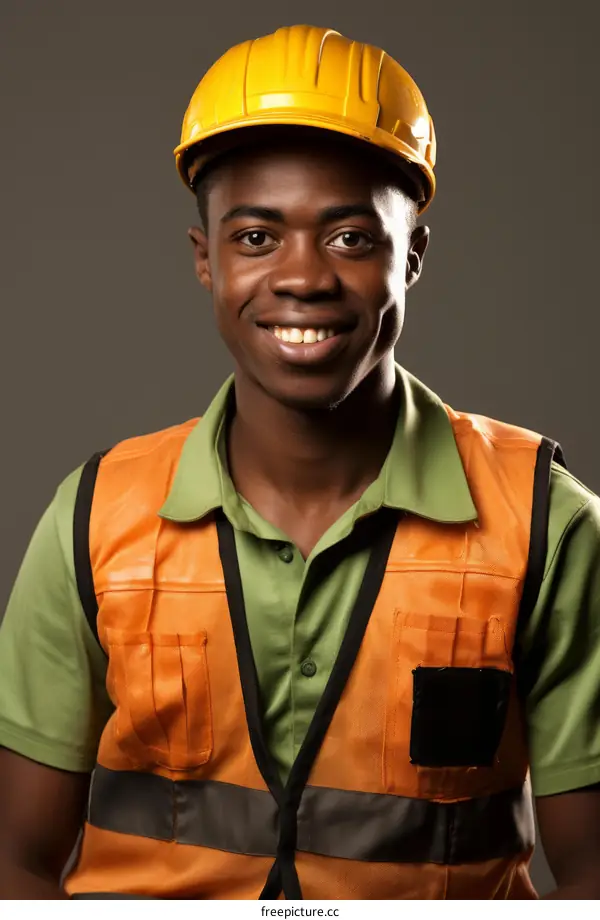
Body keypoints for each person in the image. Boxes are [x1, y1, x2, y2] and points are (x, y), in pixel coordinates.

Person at [0, 24, 599, 902]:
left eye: (352, 238)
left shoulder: (546, 524)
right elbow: (14, 862)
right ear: (206, 260)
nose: (302, 277)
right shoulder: (96, 516)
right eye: (255, 238)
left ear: (413, 259)